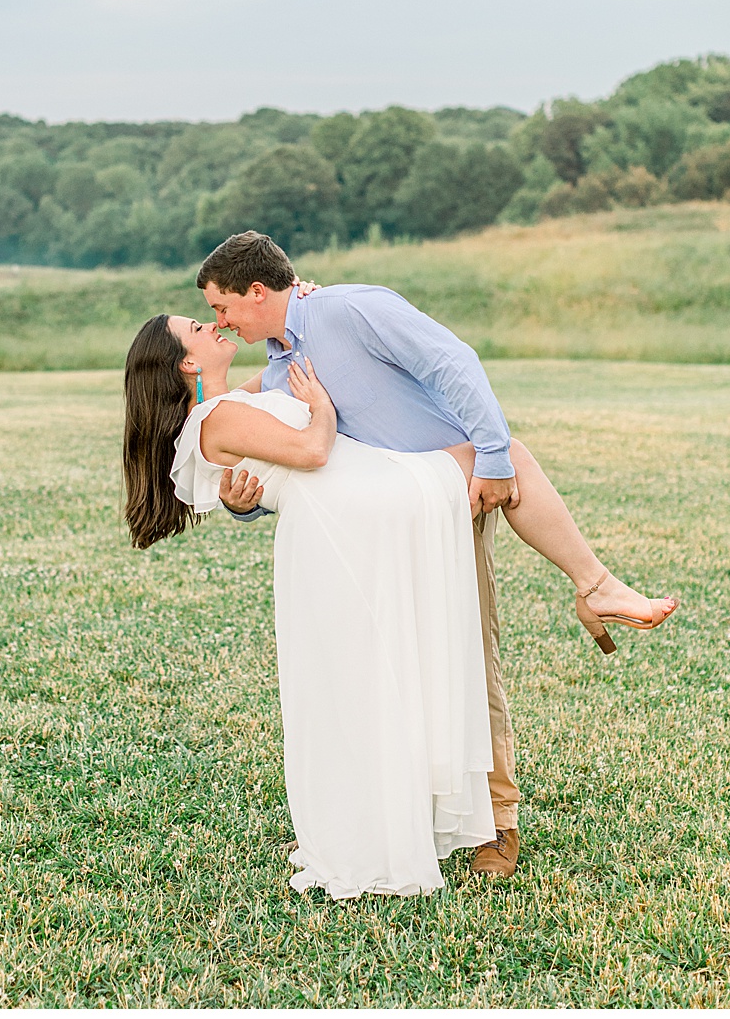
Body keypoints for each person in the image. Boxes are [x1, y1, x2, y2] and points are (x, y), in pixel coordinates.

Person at [194, 230, 677, 880]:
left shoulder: (350, 309)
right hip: (377, 538)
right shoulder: (280, 371)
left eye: (222, 307)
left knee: (467, 659)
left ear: (257, 292)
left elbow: (454, 361)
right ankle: (407, 817)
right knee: (394, 674)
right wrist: (242, 502)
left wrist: (496, 456)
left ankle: (497, 826)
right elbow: (290, 465)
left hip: (449, 503)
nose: (220, 321)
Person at [123, 315, 496, 897]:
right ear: (188, 363)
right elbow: (313, 450)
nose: (215, 326)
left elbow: (274, 373)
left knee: (367, 683)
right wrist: (320, 405)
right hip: (357, 519)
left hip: (351, 519)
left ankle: (595, 585)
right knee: (500, 453)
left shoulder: (230, 402)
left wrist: (300, 302)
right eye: (199, 327)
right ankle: (595, 585)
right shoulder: (215, 418)